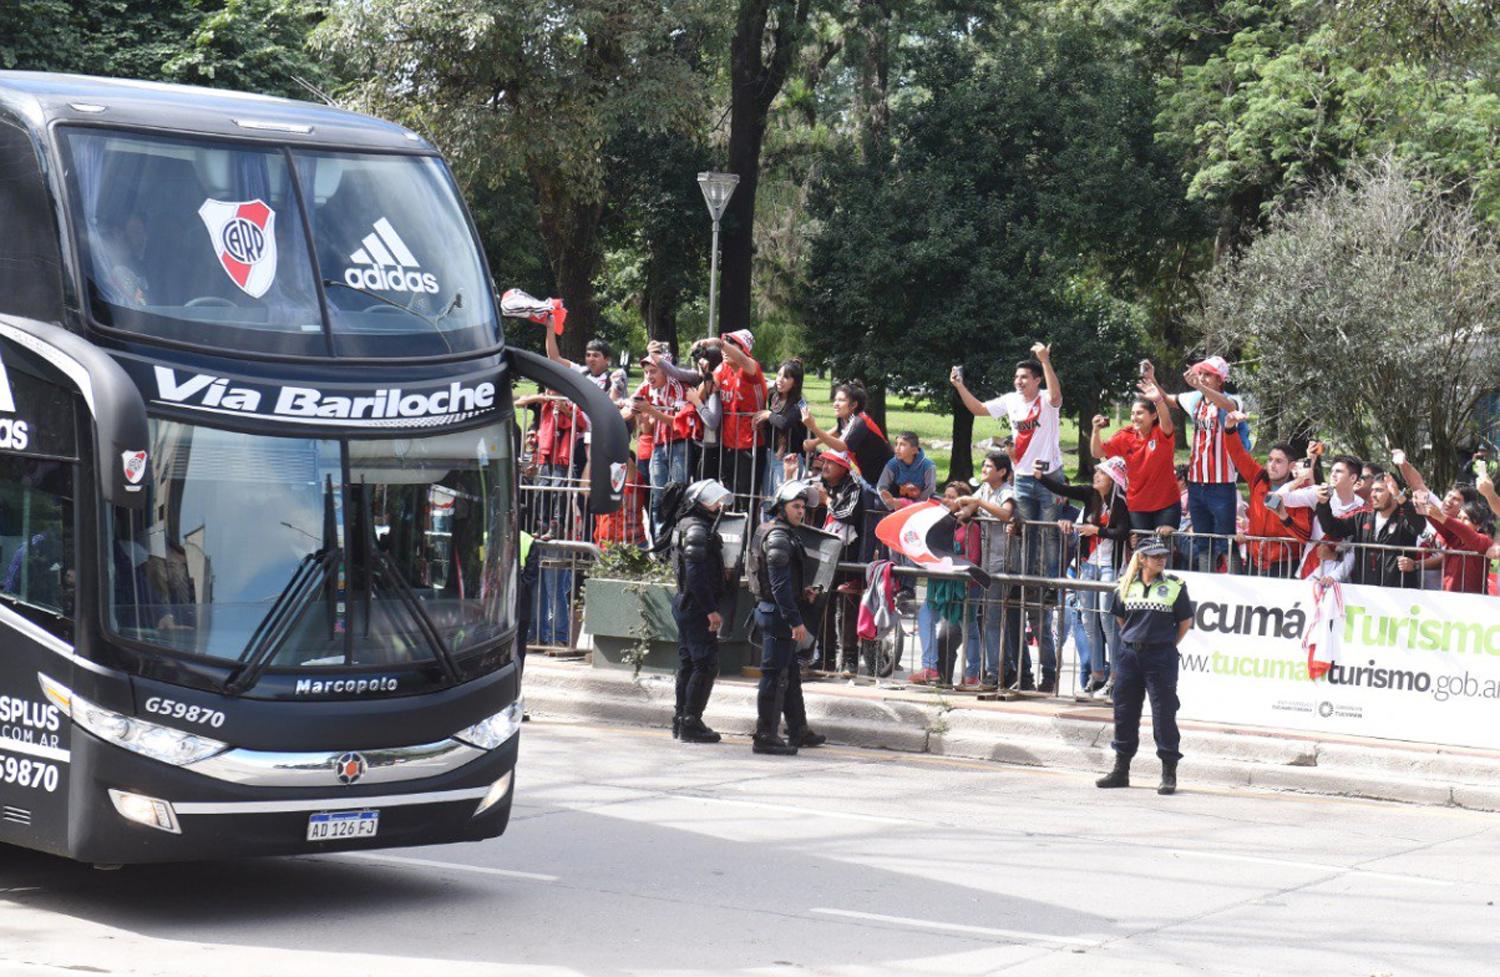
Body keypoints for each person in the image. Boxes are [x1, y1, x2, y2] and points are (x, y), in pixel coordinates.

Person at [950, 344, 1065, 585]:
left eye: (1024, 377)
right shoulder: (1011, 400)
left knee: (1050, 532)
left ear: (1037, 380)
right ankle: (1027, 581)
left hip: (1050, 478)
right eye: (1016, 377)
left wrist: (1045, 360)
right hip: (1022, 478)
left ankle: (1053, 583)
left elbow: (1056, 396)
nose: (1018, 381)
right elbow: (979, 409)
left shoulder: (1046, 399)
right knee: (1024, 531)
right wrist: (959, 385)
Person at [1096, 537, 1193, 795]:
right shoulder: (1125, 586)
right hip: (1129, 656)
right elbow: (1120, 619)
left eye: (1163, 554)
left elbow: (1185, 622)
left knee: (1164, 714)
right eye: (1155, 555)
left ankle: (1168, 772)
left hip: (1160, 655)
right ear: (1142, 559)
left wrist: (1163, 643)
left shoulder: (1175, 585)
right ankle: (1121, 770)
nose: (1161, 559)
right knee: (1124, 712)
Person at [745, 480, 827, 756]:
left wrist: (801, 593)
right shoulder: (779, 537)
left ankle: (797, 730)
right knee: (774, 675)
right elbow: (778, 586)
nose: (801, 511)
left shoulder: (782, 533)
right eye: (796, 506)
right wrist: (795, 620)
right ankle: (765, 735)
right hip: (778, 615)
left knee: (789, 674)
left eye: (803, 507)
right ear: (781, 507)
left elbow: (782, 581)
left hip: (779, 612)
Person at [1040, 456, 1131, 695]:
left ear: (1112, 479)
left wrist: (1097, 530)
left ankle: (1116, 675)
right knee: (1089, 621)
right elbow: (1063, 488)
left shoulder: (1120, 502)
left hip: (1109, 566)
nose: (1096, 476)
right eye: (1097, 472)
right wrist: (1041, 477)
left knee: (1107, 621)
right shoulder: (1090, 495)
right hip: (1087, 564)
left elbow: (1122, 532)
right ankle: (1097, 673)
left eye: (1101, 474)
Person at [1149, 357, 1244, 573]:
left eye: (1208, 374)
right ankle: (1207, 584)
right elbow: (1168, 399)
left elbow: (1229, 406)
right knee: (1203, 541)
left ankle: (1238, 587)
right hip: (1196, 483)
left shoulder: (1231, 399)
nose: (1202, 378)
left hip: (1221, 484)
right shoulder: (1195, 399)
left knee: (1227, 540)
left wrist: (1199, 386)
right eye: (1201, 373)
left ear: (1220, 379)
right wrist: (1153, 379)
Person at [669, 479, 734, 744]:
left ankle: (682, 718)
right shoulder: (696, 529)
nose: (719, 506)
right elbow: (695, 574)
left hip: (687, 603)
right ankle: (691, 721)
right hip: (696, 606)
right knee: (705, 663)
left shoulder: (689, 525)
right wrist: (710, 610)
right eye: (714, 500)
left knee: (689, 663)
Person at [953, 451, 1019, 689]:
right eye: (983, 465)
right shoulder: (983, 491)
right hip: (985, 562)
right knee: (986, 618)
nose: (984, 469)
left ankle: (994, 673)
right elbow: (969, 508)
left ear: (1002, 472)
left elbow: (1005, 514)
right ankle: (1005, 669)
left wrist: (977, 503)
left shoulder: (1007, 492)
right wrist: (963, 511)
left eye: (989, 466)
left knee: (992, 619)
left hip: (1002, 562)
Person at [1314, 450, 1427, 589]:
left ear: (1393, 493)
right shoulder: (1361, 516)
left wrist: (1400, 497)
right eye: (1372, 490)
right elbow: (1332, 528)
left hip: (1399, 595)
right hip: (1365, 595)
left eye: (1379, 490)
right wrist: (1323, 504)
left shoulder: (1405, 517)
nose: (1373, 494)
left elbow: (1419, 526)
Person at [1223, 412, 1312, 578]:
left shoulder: (1301, 492)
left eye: (1278, 461)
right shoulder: (1257, 478)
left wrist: (1284, 517)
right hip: (1254, 559)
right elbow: (1238, 454)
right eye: (1270, 460)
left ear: (1292, 465)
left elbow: (1305, 534)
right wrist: (1229, 428)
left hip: (1284, 564)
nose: (1272, 465)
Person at [911, 481, 982, 685]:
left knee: (968, 627)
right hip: (941, 584)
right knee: (925, 615)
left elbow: (973, 558)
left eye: (952, 497)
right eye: (946, 495)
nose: (947, 500)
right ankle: (930, 666)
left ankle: (972, 674)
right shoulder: (941, 523)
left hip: (964, 586)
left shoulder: (971, 527)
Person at [1091, 374, 1179, 535]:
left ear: (1153, 416)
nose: (1134, 418)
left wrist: (1159, 400)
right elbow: (1097, 452)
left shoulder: (1161, 433)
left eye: (1139, 413)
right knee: (1142, 552)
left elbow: (1166, 420)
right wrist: (1095, 431)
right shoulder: (1125, 435)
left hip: (1166, 504)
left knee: (1163, 551)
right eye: (1132, 413)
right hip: (1138, 505)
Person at [623, 353, 690, 536]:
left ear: (667, 371)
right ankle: (659, 544)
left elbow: (679, 422)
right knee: (657, 496)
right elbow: (629, 409)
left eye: (653, 371)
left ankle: (676, 541)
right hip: (658, 446)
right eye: (646, 372)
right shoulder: (646, 386)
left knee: (676, 494)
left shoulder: (678, 387)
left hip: (679, 444)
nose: (649, 376)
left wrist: (651, 411)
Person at [812, 449, 865, 672]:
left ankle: (850, 659)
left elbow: (848, 514)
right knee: (823, 606)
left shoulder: (854, 486)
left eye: (830, 463)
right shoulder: (817, 482)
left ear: (843, 467)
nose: (824, 467)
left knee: (847, 607)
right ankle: (825, 657)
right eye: (823, 462)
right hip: (822, 554)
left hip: (847, 556)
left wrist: (827, 500)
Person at [704, 330, 767, 502]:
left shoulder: (751, 367)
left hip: (750, 442)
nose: (725, 350)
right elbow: (705, 390)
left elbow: (743, 361)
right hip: (728, 443)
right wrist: (704, 367)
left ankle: (749, 529)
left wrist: (720, 343)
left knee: (746, 497)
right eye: (725, 345)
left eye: (732, 345)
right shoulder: (723, 368)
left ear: (743, 349)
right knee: (729, 495)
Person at [802, 381, 893, 490]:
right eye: (835, 399)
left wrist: (813, 427)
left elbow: (841, 446)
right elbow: (839, 430)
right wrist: (815, 442)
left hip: (886, 472)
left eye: (841, 400)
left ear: (854, 405)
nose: (835, 403)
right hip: (868, 474)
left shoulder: (860, 422)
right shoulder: (845, 418)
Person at [756, 359, 808, 506]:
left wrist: (768, 415)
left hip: (789, 459)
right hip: (770, 453)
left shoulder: (800, 403)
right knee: (767, 500)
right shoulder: (773, 395)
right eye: (779, 375)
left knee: (783, 500)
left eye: (786, 377)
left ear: (795, 382)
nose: (780, 380)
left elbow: (784, 423)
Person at [876, 432, 937, 511]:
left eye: (902, 445)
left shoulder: (928, 466)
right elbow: (881, 486)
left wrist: (914, 506)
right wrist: (891, 503)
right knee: (876, 502)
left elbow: (930, 489)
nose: (897, 448)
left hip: (921, 505)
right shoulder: (892, 464)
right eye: (896, 444)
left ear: (914, 450)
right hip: (898, 503)